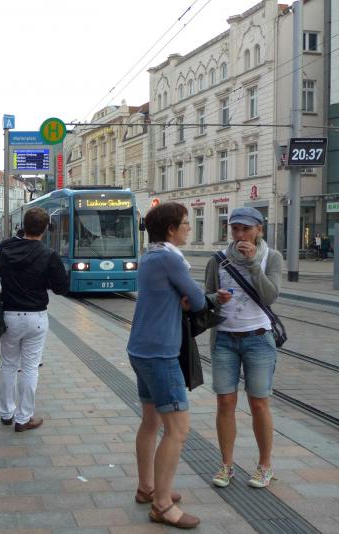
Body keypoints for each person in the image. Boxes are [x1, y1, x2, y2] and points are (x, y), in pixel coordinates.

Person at [127, 202, 205, 529]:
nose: (189, 228)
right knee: (178, 429)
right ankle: (161, 504)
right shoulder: (171, 259)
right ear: (171, 229)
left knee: (150, 422)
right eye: (185, 223)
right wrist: (188, 299)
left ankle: (147, 487)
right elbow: (197, 300)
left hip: (141, 348)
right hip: (161, 352)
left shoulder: (150, 256)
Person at [204, 207, 283, 490]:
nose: (239, 235)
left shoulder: (272, 257)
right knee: (225, 402)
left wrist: (252, 264)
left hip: (258, 339)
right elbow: (206, 297)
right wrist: (216, 298)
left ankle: (265, 466)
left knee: (259, 403)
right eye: (235, 229)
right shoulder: (218, 259)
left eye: (246, 229)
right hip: (225, 339)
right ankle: (226, 465)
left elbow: (270, 296)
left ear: (259, 229)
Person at [0, 208, 69, 432]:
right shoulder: (49, 254)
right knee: (29, 368)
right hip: (35, 316)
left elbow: (1, 272)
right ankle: (23, 418)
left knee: (8, 365)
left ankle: (6, 413)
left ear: (23, 225)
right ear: (45, 229)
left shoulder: (5, 248)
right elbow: (61, 287)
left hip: (9, 315)